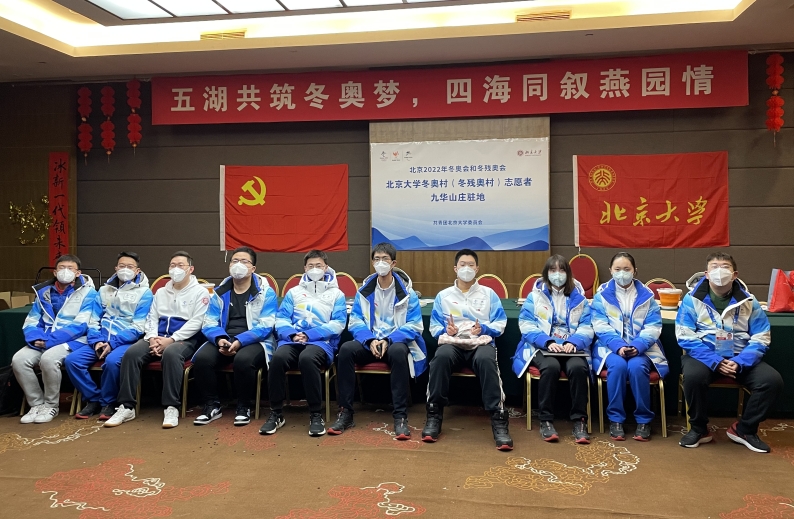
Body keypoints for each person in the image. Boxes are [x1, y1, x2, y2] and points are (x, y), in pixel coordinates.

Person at [676, 252, 783, 452]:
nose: (719, 271)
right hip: (704, 356)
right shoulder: (691, 300)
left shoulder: (749, 301)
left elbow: (762, 336)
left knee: (772, 381)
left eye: (725, 267)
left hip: (740, 356)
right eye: (714, 267)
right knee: (693, 376)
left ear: (734, 274)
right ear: (706, 274)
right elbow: (685, 336)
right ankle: (699, 429)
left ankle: (745, 429)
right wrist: (714, 361)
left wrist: (741, 361)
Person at [328, 243, 427, 439]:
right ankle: (346, 412)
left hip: (394, 342)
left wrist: (389, 340)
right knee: (346, 349)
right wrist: (370, 340)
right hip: (370, 342)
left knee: (398, 352)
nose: (380, 263)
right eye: (377, 259)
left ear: (393, 263)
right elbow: (355, 321)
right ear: (373, 263)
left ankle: (400, 417)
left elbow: (415, 326)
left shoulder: (408, 294)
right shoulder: (364, 292)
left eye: (385, 259)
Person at [104, 251, 210, 429]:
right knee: (131, 354)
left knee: (171, 354)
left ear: (190, 269)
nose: (175, 269)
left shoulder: (201, 292)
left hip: (184, 339)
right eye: (172, 265)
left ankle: (171, 407)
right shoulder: (160, 292)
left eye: (180, 265)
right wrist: (152, 338)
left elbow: (197, 322)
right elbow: (152, 317)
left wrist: (172, 339)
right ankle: (126, 406)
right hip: (157, 336)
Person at [425, 248, 512, 450]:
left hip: (480, 342)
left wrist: (484, 329)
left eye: (471, 265)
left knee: (486, 360)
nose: (466, 268)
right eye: (462, 265)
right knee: (440, 358)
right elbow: (434, 327)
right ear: (455, 268)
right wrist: (446, 330)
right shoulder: (443, 296)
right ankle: (434, 414)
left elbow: (500, 323)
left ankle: (498, 418)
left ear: (477, 269)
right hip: (453, 343)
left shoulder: (489, 294)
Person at [259, 250, 347, 437]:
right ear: (304, 268)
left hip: (321, 343)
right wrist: (292, 335)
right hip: (292, 340)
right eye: (311, 266)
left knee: (307, 359)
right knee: (277, 358)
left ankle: (315, 414)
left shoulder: (337, 294)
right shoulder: (294, 292)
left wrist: (309, 335)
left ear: (326, 267)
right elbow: (281, 318)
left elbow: (338, 324)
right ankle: (276, 413)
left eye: (319, 265)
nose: (315, 269)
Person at [512, 254, 594, 444]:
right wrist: (547, 342)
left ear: (569, 273)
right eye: (553, 270)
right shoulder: (534, 297)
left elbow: (587, 326)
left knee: (578, 368)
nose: (558, 274)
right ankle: (546, 420)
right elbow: (526, 325)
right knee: (550, 367)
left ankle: (579, 420)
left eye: (562, 270)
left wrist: (575, 342)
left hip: (571, 347)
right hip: (542, 346)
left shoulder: (580, 300)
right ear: (546, 273)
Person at [192, 247, 277, 426]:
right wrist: (219, 339)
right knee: (202, 359)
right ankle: (212, 406)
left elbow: (267, 325)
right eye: (235, 261)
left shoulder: (265, 292)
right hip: (224, 337)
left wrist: (240, 341)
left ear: (253, 268)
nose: (238, 264)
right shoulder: (219, 292)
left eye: (244, 261)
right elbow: (209, 322)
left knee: (243, 360)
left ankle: (244, 406)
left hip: (255, 339)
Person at [64, 252, 152, 421]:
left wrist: (112, 343)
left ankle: (108, 403)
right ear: (116, 268)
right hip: (100, 339)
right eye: (122, 266)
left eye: (130, 267)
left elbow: (139, 326)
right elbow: (93, 319)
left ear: (137, 270)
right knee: (72, 361)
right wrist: (97, 341)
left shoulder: (145, 293)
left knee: (112, 362)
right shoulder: (104, 290)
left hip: (125, 341)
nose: (125, 269)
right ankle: (94, 399)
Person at [591, 252, 668, 442]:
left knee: (637, 367)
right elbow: (600, 325)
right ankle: (616, 419)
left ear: (635, 271)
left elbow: (653, 326)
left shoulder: (647, 296)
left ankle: (644, 420)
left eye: (627, 269)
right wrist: (618, 346)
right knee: (617, 366)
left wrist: (637, 345)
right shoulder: (601, 296)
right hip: (610, 347)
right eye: (617, 269)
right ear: (610, 271)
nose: (622, 273)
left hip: (642, 348)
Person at [13, 254, 97, 424]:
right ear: (54, 272)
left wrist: (50, 341)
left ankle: (51, 405)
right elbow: (32, 320)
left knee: (49, 359)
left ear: (78, 273)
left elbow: (81, 325)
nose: (65, 271)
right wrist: (36, 338)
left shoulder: (89, 293)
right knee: (19, 360)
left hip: (74, 340)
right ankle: (36, 405)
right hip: (43, 339)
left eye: (70, 268)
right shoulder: (43, 292)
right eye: (61, 268)